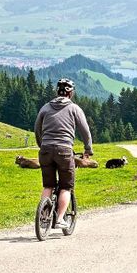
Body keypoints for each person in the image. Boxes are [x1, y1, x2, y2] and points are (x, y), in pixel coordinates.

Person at [34, 78, 93, 229]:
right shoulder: (74, 109)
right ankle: (60, 218)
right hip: (64, 151)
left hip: (45, 150)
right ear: (71, 93)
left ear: (57, 92)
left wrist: (42, 145)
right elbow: (85, 131)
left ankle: (43, 215)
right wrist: (88, 149)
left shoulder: (45, 107)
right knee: (66, 187)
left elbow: (37, 129)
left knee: (48, 185)